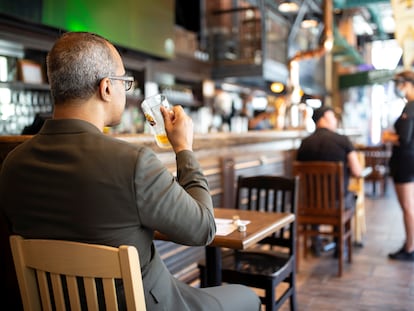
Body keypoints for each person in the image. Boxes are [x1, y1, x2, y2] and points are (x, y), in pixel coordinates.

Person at [0, 32, 261, 311]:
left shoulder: (12, 165)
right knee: (247, 297)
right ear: (106, 88)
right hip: (148, 305)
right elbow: (203, 229)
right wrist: (184, 148)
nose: (125, 91)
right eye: (124, 82)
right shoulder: (133, 163)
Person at [296, 106, 362, 255]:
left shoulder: (304, 143)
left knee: (316, 197)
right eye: (333, 117)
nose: (335, 120)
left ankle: (316, 243)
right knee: (348, 196)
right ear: (324, 118)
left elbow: (298, 174)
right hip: (337, 205)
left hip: (309, 204)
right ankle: (340, 245)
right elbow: (357, 171)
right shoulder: (343, 140)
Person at [382, 70, 414, 261]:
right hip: (408, 161)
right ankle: (410, 243)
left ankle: (410, 248)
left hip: (405, 162)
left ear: (408, 83)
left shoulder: (410, 107)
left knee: (408, 206)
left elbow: (405, 139)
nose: (397, 88)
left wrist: (388, 137)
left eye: (399, 83)